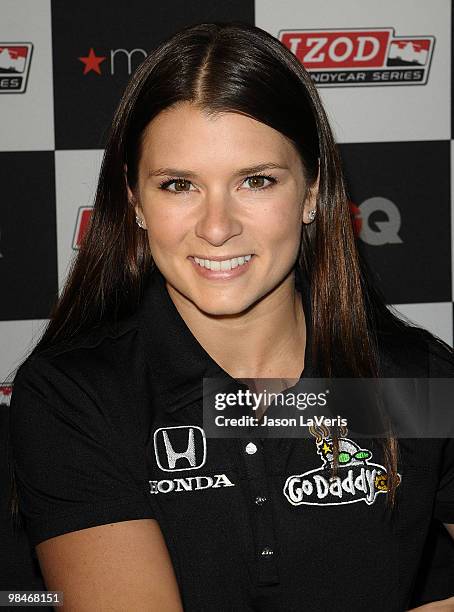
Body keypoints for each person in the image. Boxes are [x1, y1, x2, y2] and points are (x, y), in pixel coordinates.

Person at [6, 20, 454, 612]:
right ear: (135, 202)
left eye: (256, 180)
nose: (217, 228)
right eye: (178, 185)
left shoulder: (414, 382)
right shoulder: (78, 398)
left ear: (314, 191)